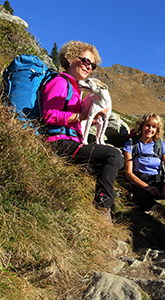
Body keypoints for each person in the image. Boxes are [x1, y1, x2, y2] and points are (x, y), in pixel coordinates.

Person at [41, 40, 124, 221]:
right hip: (59, 143)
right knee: (113, 156)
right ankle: (102, 210)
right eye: (86, 61)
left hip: (70, 141)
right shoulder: (60, 82)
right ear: (70, 58)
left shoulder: (75, 88)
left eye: (92, 65)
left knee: (111, 162)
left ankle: (101, 210)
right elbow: (49, 115)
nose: (89, 67)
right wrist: (81, 117)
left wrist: (89, 121)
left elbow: (74, 118)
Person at [123, 113, 165, 249]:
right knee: (142, 196)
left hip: (159, 182)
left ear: (157, 130)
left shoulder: (161, 145)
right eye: (148, 125)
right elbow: (128, 172)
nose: (150, 129)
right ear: (142, 126)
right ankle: (150, 209)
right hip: (140, 184)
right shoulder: (131, 144)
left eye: (154, 127)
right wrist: (146, 187)